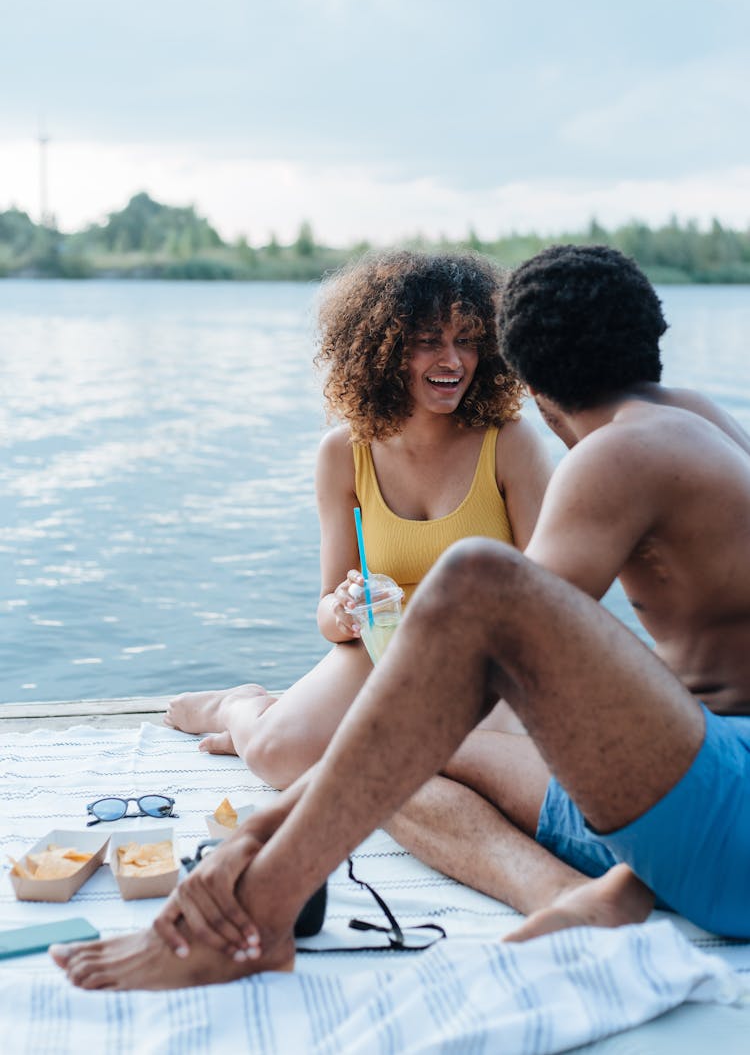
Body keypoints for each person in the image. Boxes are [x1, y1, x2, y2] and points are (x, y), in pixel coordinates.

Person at [52, 244, 750, 992]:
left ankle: (257, 905)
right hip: (708, 777)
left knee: (464, 602)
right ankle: (579, 896)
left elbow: (491, 659)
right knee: (388, 760)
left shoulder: (614, 456)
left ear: (520, 367)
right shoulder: (701, 418)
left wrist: (259, 833)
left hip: (722, 819)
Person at [163, 250, 552, 853]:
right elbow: (326, 611)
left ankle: (315, 716)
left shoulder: (512, 444)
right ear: (385, 348)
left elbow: (556, 597)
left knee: (467, 769)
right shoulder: (344, 453)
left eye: (468, 340)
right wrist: (345, 611)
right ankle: (239, 707)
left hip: (486, 659)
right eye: (427, 341)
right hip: (381, 645)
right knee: (276, 757)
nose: (452, 361)